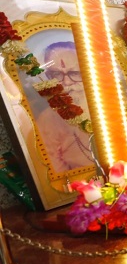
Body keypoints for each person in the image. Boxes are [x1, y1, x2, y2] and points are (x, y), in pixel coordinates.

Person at [33, 42, 95, 172]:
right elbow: (55, 172)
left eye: (75, 73)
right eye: (56, 75)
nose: (66, 82)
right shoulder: (47, 118)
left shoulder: (108, 103)